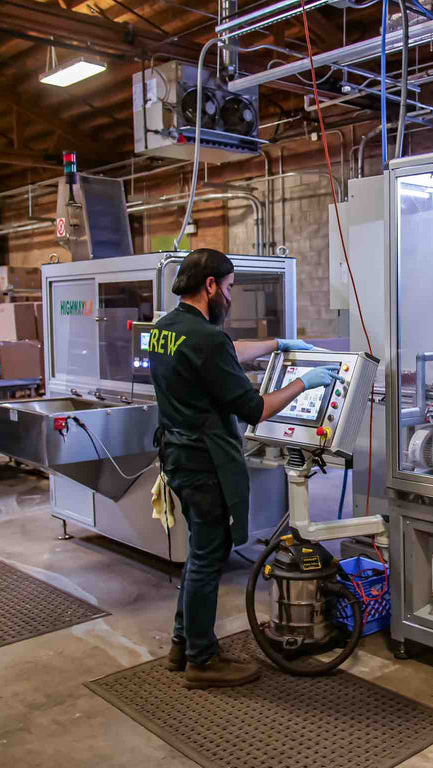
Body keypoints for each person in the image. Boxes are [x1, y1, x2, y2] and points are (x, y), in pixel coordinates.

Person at [149, 248, 339, 689]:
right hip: (204, 463)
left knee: (199, 553)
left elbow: (225, 349)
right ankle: (202, 659)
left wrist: (278, 345)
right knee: (207, 559)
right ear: (211, 286)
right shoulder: (206, 339)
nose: (231, 297)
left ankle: (183, 643)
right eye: (230, 287)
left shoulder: (164, 330)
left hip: (175, 456)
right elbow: (256, 408)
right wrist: (304, 382)